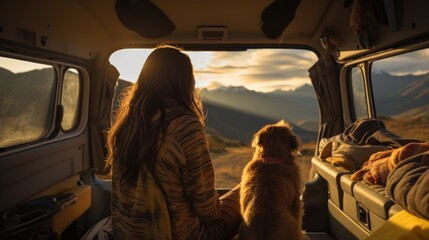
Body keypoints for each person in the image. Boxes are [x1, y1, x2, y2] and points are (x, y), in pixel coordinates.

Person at [105, 45, 242, 240]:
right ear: (184, 83)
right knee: (245, 189)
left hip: (126, 234)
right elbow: (208, 211)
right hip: (179, 236)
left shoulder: (126, 126)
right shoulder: (184, 126)